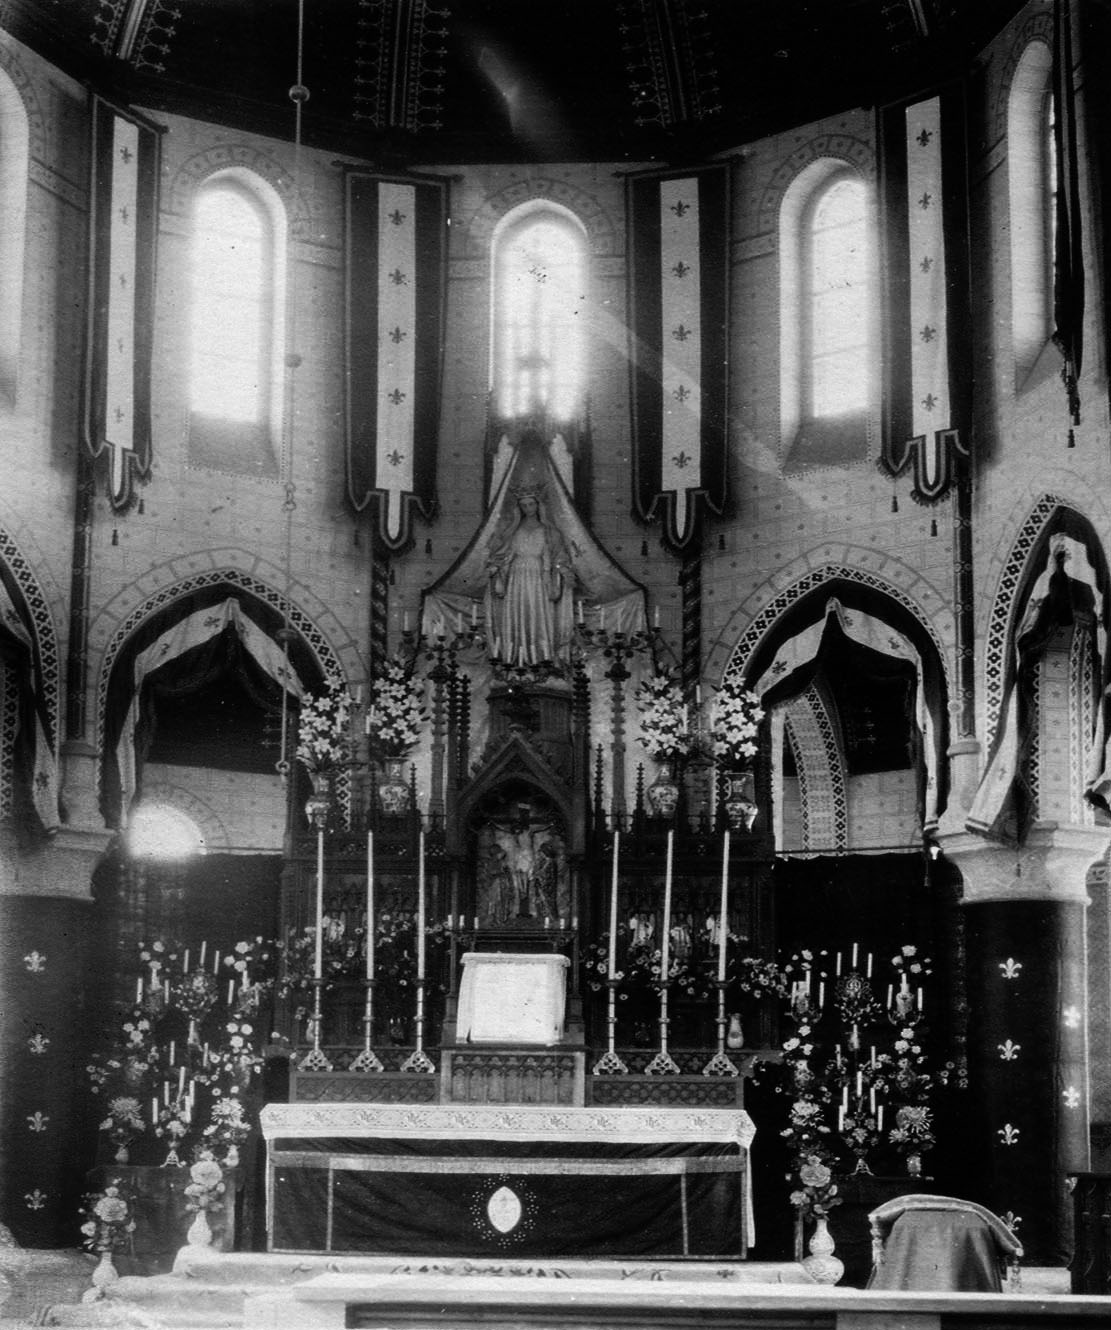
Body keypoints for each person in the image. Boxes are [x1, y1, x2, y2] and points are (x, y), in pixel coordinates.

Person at [484, 487, 575, 667]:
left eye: (531, 504)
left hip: (539, 575)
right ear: (519, 508)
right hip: (516, 576)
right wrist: (494, 568)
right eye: (524, 505)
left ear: (538, 505)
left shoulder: (550, 531)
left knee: (537, 611)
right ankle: (515, 656)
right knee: (517, 611)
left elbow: (559, 555)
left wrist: (563, 570)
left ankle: (542, 657)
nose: (528, 508)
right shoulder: (512, 530)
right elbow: (504, 554)